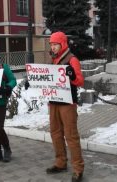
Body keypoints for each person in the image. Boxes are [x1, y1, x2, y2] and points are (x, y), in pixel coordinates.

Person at [25, 32, 84, 182]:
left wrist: (72, 76)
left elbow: (80, 81)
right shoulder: (54, 60)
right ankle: (60, 163)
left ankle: (78, 168)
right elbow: (47, 80)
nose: (53, 47)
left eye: (55, 44)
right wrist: (32, 81)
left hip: (68, 104)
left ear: (62, 44)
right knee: (56, 134)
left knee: (71, 136)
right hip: (54, 103)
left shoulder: (72, 59)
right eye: (51, 44)